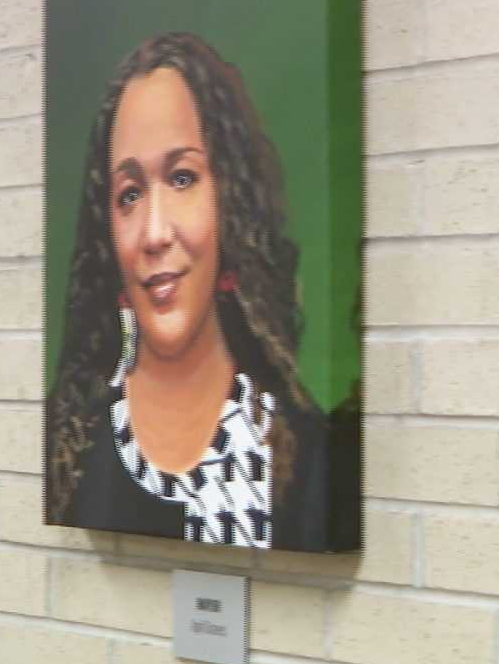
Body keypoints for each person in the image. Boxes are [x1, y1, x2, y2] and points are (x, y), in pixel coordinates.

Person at [46, 32, 346, 551]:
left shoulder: (309, 458)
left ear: (229, 197)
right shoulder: (65, 439)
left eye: (182, 178)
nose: (155, 232)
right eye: (130, 195)